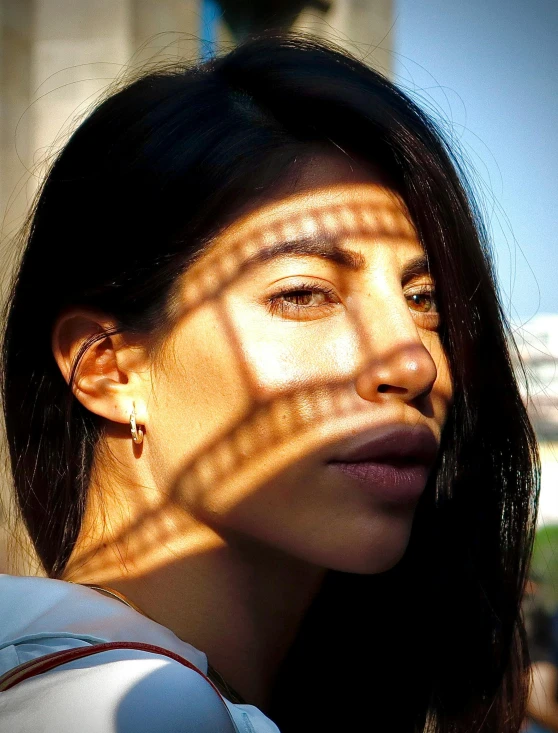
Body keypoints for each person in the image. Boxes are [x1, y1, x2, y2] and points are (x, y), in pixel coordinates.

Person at [0, 34, 539, 732]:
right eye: (305, 293)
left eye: (425, 297)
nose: (415, 363)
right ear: (107, 366)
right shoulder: (137, 706)